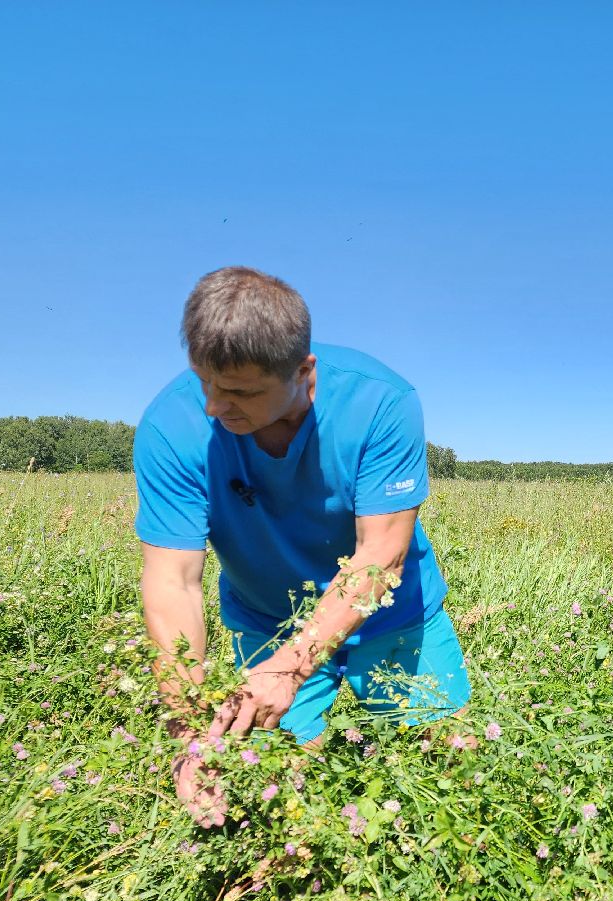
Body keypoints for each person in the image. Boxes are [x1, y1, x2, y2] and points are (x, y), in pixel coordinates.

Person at [134, 266, 470, 826]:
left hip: (392, 617)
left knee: (445, 768)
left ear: (303, 372)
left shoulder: (380, 403)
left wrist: (293, 669)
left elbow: (379, 555)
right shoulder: (171, 427)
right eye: (205, 382)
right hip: (267, 623)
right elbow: (172, 582)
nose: (215, 406)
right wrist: (190, 732)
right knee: (269, 794)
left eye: (240, 391)